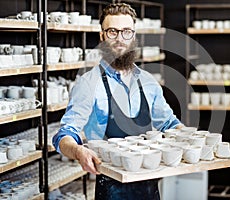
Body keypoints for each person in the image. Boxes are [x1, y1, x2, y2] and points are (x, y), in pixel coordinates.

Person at [52, 3, 184, 200]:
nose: (120, 39)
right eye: (112, 31)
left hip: (150, 187)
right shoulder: (88, 84)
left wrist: (191, 138)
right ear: (102, 35)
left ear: (134, 35)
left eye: (126, 32)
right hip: (111, 190)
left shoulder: (148, 82)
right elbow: (64, 134)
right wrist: (78, 151)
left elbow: (169, 124)